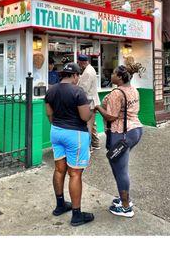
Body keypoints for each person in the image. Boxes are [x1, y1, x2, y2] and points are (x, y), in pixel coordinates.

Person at [45, 62, 95, 227]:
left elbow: (49, 115)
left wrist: (58, 124)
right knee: (75, 174)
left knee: (59, 170)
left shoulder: (50, 90)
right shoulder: (78, 92)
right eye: (78, 76)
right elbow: (84, 117)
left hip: (56, 132)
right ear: (74, 75)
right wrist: (91, 111)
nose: (78, 78)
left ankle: (60, 205)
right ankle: (76, 214)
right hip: (75, 134)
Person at [94, 64, 143, 218]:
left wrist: (97, 107)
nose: (111, 75)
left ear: (120, 77)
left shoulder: (117, 92)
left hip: (121, 133)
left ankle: (126, 207)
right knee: (116, 163)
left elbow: (111, 116)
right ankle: (123, 198)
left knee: (120, 169)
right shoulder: (133, 90)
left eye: (114, 73)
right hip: (135, 130)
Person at [77, 54, 101, 150]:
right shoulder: (90, 69)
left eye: (79, 63)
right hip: (93, 101)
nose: (78, 65)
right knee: (92, 123)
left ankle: (88, 147)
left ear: (82, 62)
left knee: (88, 125)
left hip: (89, 102)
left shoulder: (87, 72)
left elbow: (83, 89)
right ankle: (96, 143)